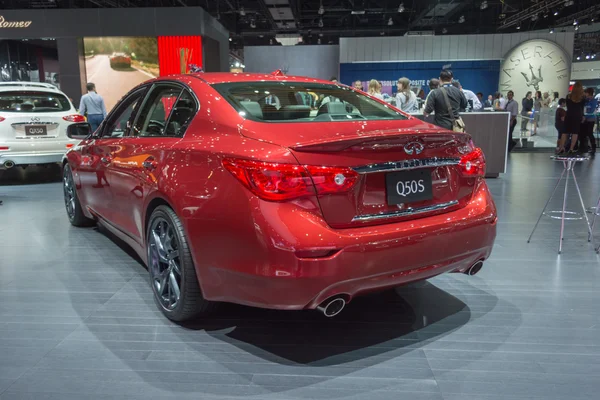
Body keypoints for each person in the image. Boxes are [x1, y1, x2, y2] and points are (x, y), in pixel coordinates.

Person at [558, 82, 585, 155]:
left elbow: (568, 106)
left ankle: (562, 148)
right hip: (577, 116)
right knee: (575, 132)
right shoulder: (582, 97)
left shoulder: (568, 96)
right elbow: (582, 108)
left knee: (565, 132)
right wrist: (583, 116)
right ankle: (571, 148)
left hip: (569, 115)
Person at [582, 88, 597, 154]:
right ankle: (586, 147)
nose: (585, 94)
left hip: (591, 119)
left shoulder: (594, 101)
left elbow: (592, 111)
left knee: (590, 133)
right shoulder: (586, 100)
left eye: (586, 93)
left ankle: (593, 148)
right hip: (585, 119)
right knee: (585, 133)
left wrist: (585, 117)